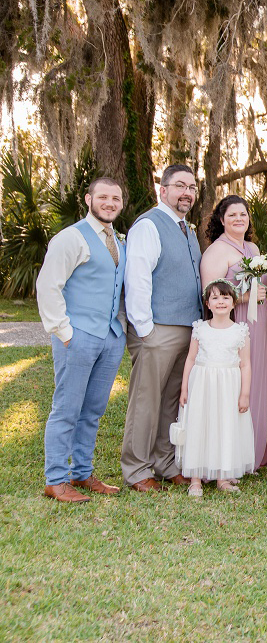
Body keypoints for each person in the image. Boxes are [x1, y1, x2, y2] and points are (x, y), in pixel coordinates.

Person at [36, 177, 127, 502]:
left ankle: (83, 473)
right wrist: (64, 332)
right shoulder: (71, 238)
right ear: (88, 199)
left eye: (115, 198)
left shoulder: (118, 240)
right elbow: (48, 286)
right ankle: (56, 480)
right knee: (66, 409)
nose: (110, 203)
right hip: (78, 337)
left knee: (93, 410)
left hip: (110, 337)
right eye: (103, 197)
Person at [122, 164, 203, 492]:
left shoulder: (188, 229)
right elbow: (138, 277)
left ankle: (165, 462)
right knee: (146, 400)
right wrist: (145, 330)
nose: (187, 192)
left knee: (172, 399)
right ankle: (137, 469)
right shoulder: (149, 225)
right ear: (163, 190)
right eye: (180, 185)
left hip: (187, 328)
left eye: (193, 187)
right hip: (157, 329)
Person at [200, 195, 267, 472]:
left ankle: (253, 451)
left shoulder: (252, 248)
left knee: (257, 380)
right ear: (221, 220)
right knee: (237, 382)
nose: (239, 219)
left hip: (259, 323)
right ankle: (230, 455)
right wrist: (244, 298)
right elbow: (209, 293)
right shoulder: (216, 252)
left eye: (243, 214)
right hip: (234, 323)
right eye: (232, 215)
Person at [173, 280, 255, 497]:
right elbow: (190, 359)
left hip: (229, 387)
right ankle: (196, 479)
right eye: (215, 297)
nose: (220, 302)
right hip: (202, 385)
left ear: (234, 302)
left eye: (225, 297)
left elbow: (245, 364)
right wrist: (184, 389)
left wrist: (244, 393)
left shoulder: (240, 331)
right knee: (200, 425)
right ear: (207, 304)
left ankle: (222, 476)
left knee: (224, 426)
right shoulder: (200, 329)